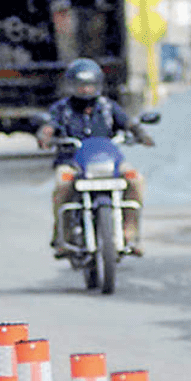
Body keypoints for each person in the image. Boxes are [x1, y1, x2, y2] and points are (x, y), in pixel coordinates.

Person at [37, 58, 155, 256]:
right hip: (72, 162)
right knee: (62, 185)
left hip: (109, 160)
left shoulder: (108, 107)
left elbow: (128, 123)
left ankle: (130, 234)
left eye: (90, 85)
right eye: (81, 85)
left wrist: (141, 134)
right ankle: (63, 237)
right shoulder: (62, 109)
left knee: (136, 180)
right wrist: (45, 135)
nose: (86, 90)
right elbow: (49, 125)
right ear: (71, 85)